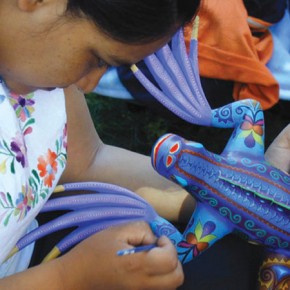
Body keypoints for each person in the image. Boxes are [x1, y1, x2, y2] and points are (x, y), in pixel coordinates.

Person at [0, 0, 200, 289]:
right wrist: (69, 277)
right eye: (97, 59)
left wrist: (219, 188)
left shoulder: (30, 54)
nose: (89, 84)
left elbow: (88, 160)